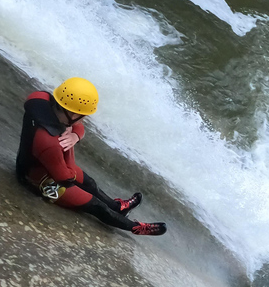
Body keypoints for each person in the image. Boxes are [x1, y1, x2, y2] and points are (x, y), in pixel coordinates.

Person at [16, 77, 166, 236]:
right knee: (96, 206)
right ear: (72, 114)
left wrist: (74, 136)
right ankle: (134, 227)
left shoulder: (43, 100)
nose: (85, 118)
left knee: (90, 183)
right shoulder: (50, 142)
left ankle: (118, 207)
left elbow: (78, 127)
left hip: (42, 162)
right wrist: (69, 146)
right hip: (38, 179)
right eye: (83, 115)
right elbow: (66, 176)